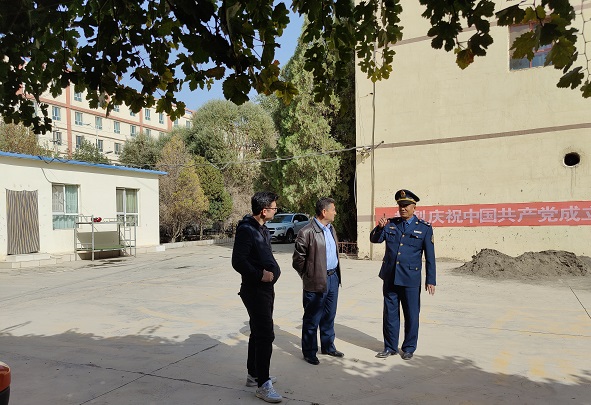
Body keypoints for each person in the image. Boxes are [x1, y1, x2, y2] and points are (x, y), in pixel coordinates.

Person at [369, 189, 436, 361]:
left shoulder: (424, 228)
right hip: (390, 276)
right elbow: (374, 239)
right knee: (390, 314)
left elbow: (430, 257)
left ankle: (408, 348)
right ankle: (390, 347)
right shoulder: (391, 224)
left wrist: (431, 279)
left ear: (414, 207)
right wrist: (379, 227)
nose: (403, 208)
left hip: (410, 279)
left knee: (411, 314)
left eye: (406, 205)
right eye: (400, 205)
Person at [232, 191, 282, 403]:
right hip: (255, 291)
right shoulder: (247, 230)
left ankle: (254, 375)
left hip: (265, 290)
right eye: (274, 208)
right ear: (264, 210)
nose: (275, 211)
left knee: (257, 332)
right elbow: (238, 261)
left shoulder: (261, 228)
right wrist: (260, 275)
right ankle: (263, 385)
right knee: (265, 336)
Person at [292, 197, 343, 366]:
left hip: (333, 278)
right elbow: (297, 261)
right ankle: (309, 352)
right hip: (315, 281)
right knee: (312, 319)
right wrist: (309, 275)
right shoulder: (306, 232)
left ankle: (328, 346)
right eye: (333, 209)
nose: (335, 212)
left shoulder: (331, 229)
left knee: (329, 316)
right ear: (324, 212)